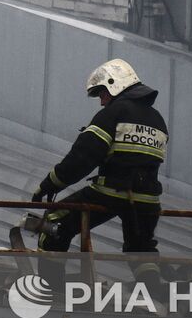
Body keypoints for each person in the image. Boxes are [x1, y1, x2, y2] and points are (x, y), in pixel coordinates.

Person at [29, 59, 167, 294]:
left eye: (102, 93)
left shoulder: (113, 114)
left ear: (115, 85)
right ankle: (156, 296)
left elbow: (81, 159)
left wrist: (48, 185)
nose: (101, 101)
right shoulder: (157, 120)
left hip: (111, 192)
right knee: (141, 250)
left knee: (53, 221)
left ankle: (50, 291)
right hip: (148, 200)